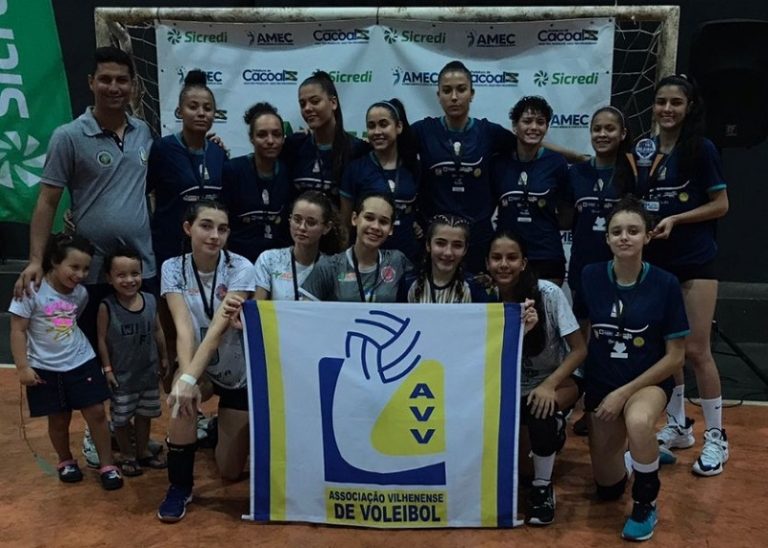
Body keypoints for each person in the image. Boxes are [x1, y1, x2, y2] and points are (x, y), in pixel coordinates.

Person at [13, 46, 156, 346]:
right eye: (105, 79)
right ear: (91, 82)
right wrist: (36, 260)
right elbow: (47, 201)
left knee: (139, 352)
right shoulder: (68, 136)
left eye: (122, 80)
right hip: (90, 272)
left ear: (133, 85)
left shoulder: (143, 132)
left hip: (138, 268)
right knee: (89, 347)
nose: (114, 87)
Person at [574, 196, 688, 541]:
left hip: (645, 383)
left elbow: (675, 357)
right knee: (608, 488)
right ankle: (643, 452)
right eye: (617, 231)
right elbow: (582, 336)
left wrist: (622, 394)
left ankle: (645, 503)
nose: (624, 237)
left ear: (647, 236)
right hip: (602, 383)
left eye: (633, 231)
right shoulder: (590, 276)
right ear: (607, 238)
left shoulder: (666, 283)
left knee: (638, 421)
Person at [634, 75, 729, 476]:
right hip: (658, 263)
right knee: (668, 350)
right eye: (661, 102)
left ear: (689, 107)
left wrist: (677, 218)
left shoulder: (701, 148)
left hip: (695, 262)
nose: (667, 109)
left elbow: (721, 204)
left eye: (675, 102)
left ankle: (717, 437)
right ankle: (678, 426)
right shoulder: (645, 149)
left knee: (695, 350)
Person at [157, 200, 255, 522]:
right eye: (206, 226)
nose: (215, 235)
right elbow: (184, 328)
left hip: (238, 370)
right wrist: (187, 380)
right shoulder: (173, 267)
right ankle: (180, 487)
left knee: (229, 471)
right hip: (198, 364)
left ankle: (213, 428)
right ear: (188, 228)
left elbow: (217, 329)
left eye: (222, 229)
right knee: (180, 403)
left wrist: (188, 379)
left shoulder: (241, 267)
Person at [485, 230, 586, 526]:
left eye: (512, 257)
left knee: (540, 409)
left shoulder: (548, 294)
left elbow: (579, 350)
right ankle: (548, 440)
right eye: (496, 258)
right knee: (521, 470)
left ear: (524, 262)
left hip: (557, 379)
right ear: (487, 263)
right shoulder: (483, 297)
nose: (504, 264)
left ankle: (543, 487)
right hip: (509, 383)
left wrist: (549, 385)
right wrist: (520, 333)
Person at [9, 233, 123, 490]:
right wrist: (23, 367)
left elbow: (72, 320)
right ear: (54, 261)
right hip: (45, 368)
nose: (80, 274)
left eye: (85, 269)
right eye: (74, 267)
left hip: (81, 361)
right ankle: (65, 460)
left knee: (96, 413)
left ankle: (107, 464)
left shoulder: (80, 294)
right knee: (58, 419)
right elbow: (18, 330)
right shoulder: (31, 290)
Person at [410, 60, 516, 274]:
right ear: (438, 95)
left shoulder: (488, 132)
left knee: (476, 292)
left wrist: (573, 156)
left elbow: (526, 142)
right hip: (437, 238)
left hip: (477, 237)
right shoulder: (423, 131)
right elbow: (385, 147)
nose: (454, 97)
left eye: (461, 89)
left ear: (472, 93)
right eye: (447, 90)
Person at [96, 246, 169, 477]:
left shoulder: (150, 300)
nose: (129, 280)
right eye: (121, 275)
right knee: (121, 418)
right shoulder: (107, 306)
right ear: (109, 278)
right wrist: (108, 369)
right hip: (122, 377)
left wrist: (164, 357)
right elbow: (101, 339)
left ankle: (143, 450)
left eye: (135, 273)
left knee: (145, 415)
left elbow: (157, 330)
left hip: (147, 373)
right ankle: (127, 454)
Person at [147, 69, 227, 270]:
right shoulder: (163, 149)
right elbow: (142, 193)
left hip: (208, 250)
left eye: (207, 108)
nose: (201, 113)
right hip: (169, 249)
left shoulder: (218, 152)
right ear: (179, 111)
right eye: (193, 107)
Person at [493, 96, 569, 286]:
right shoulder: (498, 163)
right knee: (509, 306)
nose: (534, 127)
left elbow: (566, 214)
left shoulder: (557, 163)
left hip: (546, 255)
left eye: (540, 122)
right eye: (527, 121)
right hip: (508, 256)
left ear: (546, 127)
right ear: (514, 126)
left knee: (545, 305)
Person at [566, 106, 635, 299]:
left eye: (609, 129)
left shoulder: (633, 173)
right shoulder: (576, 172)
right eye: (597, 129)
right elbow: (566, 219)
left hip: (622, 268)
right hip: (582, 266)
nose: (602, 134)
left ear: (622, 134)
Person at [341, 99, 421, 262]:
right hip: (366, 260)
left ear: (398, 127)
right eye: (371, 126)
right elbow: (345, 224)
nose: (377, 131)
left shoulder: (413, 166)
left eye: (383, 124)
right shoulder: (356, 168)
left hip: (407, 259)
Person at [301, 193, 410, 302]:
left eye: (383, 222)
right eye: (369, 218)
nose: (375, 226)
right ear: (354, 218)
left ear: (391, 229)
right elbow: (303, 309)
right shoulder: (328, 267)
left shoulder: (397, 261)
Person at [284, 70, 369, 205]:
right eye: (302, 104)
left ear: (333, 103)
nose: (307, 108)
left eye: (315, 101)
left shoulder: (358, 150)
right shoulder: (293, 146)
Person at [220, 102, 292, 262]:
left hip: (278, 262)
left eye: (277, 134)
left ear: (283, 138)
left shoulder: (288, 172)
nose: (270, 140)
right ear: (251, 138)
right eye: (262, 135)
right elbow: (221, 221)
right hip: (238, 260)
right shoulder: (233, 170)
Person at [254, 191, 344, 301]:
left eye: (311, 223)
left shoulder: (332, 269)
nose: (302, 227)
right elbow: (257, 306)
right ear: (290, 220)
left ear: (327, 227)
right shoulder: (269, 259)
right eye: (297, 220)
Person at [406, 214, 484, 303]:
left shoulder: (475, 287)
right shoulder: (409, 283)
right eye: (440, 243)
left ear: (465, 249)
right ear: (428, 245)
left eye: (457, 245)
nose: (448, 252)